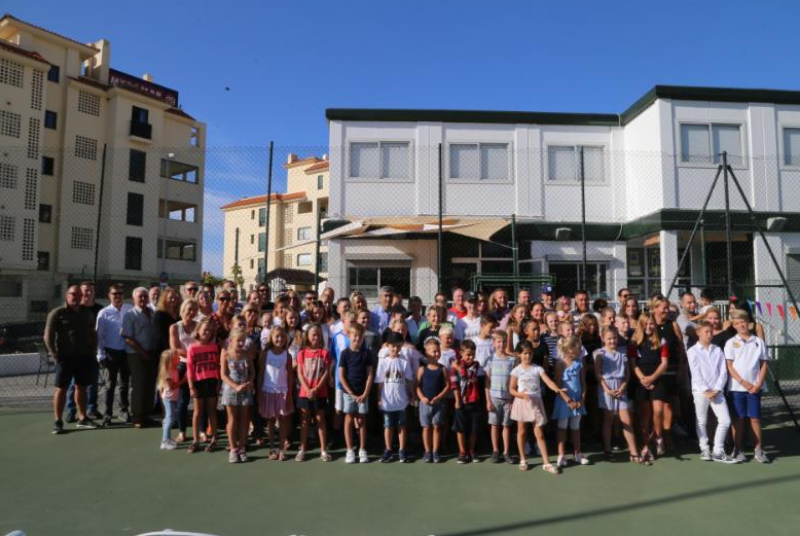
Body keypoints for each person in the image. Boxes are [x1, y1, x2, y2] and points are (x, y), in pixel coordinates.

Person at [46, 285, 98, 434]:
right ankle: (58, 421)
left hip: (84, 357)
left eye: (79, 295)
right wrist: (54, 354)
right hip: (65, 358)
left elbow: (92, 332)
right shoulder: (57, 313)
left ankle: (83, 418)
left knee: (81, 387)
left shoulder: (87, 312)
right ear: (67, 295)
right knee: (61, 389)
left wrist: (94, 349)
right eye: (73, 294)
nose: (76, 297)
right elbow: (47, 335)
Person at [595, 327, 649, 465]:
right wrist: (607, 389)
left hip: (621, 387)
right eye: (609, 338)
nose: (612, 341)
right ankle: (607, 449)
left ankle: (633, 452)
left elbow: (627, 374)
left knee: (626, 420)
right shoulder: (599, 353)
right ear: (603, 339)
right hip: (606, 387)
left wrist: (623, 387)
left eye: (614, 338)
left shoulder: (623, 352)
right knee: (608, 420)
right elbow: (598, 374)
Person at [510, 340, 565, 473]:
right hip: (522, 403)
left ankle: (546, 463)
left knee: (539, 433)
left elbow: (548, 382)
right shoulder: (516, 371)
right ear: (519, 355)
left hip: (536, 403)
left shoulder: (538, 369)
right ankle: (523, 459)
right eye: (524, 353)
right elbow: (511, 389)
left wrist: (557, 389)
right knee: (522, 431)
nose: (527, 356)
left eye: (529, 353)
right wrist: (520, 395)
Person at [725, 309, 771, 464]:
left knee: (755, 419)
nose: (741, 325)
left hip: (755, 389)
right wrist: (744, 383)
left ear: (748, 322)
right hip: (736, 389)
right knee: (738, 419)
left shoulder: (759, 342)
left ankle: (758, 450)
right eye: (737, 323)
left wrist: (757, 384)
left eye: (743, 321)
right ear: (733, 325)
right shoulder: (730, 343)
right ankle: (737, 449)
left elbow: (764, 363)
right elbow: (730, 367)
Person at [687, 321, 736, 463]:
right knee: (701, 420)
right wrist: (705, 390)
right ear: (699, 333)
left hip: (717, 391)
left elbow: (723, 371)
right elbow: (695, 373)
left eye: (711, 331)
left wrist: (717, 389)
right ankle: (704, 449)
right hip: (700, 391)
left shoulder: (718, 350)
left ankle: (718, 450)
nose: (709, 334)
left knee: (725, 420)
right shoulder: (692, 351)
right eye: (706, 332)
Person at [630, 313, 669, 461]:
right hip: (642, 382)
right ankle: (645, 447)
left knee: (658, 411)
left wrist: (652, 377)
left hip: (657, 379)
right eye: (645, 324)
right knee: (644, 417)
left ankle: (658, 438)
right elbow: (633, 364)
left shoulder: (661, 341)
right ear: (640, 325)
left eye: (651, 323)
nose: (648, 326)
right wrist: (643, 379)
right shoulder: (634, 343)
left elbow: (664, 363)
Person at [65, 281, 103, 422]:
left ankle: (92, 409)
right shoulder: (75, 309)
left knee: (93, 382)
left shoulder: (100, 309)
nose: (88, 293)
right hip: (76, 353)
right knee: (74, 384)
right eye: (85, 290)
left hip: (93, 353)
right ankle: (71, 410)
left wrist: (100, 351)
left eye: (91, 291)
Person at [95, 284, 132, 426]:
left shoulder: (130, 309)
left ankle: (124, 410)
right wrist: (100, 355)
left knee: (124, 384)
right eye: (114, 293)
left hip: (126, 352)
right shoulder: (103, 313)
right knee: (110, 385)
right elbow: (99, 336)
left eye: (120, 293)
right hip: (110, 353)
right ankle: (107, 414)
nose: (117, 296)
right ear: (109, 295)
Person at [296, 323, 333, 462]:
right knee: (304, 421)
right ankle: (303, 449)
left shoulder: (325, 353)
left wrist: (316, 389)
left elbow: (325, 373)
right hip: (305, 393)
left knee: (320, 420)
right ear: (308, 336)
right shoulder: (302, 353)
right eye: (313, 335)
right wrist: (307, 388)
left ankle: (323, 450)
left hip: (320, 393)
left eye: (318, 335)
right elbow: (299, 373)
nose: (316, 337)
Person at [375, 332, 414, 463]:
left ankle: (402, 450)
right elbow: (380, 382)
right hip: (387, 402)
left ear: (401, 346)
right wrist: (379, 398)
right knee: (388, 426)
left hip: (402, 401)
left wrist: (412, 394)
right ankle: (388, 450)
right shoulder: (383, 362)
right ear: (387, 346)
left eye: (398, 346)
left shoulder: (404, 363)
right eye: (392, 346)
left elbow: (409, 380)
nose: (395, 349)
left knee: (402, 426)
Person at [552, 336, 590, 467]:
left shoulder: (579, 364)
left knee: (575, 427)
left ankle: (577, 454)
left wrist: (582, 400)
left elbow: (584, 384)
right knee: (562, 427)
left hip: (578, 402)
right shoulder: (560, 364)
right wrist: (569, 401)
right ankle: (561, 455)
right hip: (564, 402)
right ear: (567, 349)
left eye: (578, 349)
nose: (578, 351)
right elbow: (557, 386)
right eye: (575, 348)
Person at [257, 326, 294, 461]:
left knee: (283, 421)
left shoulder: (287, 355)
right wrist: (260, 391)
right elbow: (261, 373)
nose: (280, 339)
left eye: (282, 337)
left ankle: (282, 449)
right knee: (271, 422)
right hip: (268, 391)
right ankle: (272, 448)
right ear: (271, 338)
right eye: (277, 336)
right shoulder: (265, 353)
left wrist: (289, 394)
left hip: (283, 392)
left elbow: (290, 375)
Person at [339, 323, 374, 464]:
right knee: (348, 419)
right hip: (349, 394)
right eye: (355, 336)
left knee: (361, 420)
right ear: (349, 336)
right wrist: (351, 393)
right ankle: (349, 450)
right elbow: (341, 376)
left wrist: (365, 393)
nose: (357, 338)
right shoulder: (344, 354)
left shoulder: (367, 353)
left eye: (360, 336)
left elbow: (370, 374)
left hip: (363, 393)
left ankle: (362, 449)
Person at [122, 287, 156, 429]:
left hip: (151, 354)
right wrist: (142, 352)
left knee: (150, 386)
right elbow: (127, 337)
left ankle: (146, 415)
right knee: (139, 387)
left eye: (144, 296)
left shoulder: (152, 312)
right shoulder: (130, 314)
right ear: (133, 298)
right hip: (136, 355)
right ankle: (137, 417)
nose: (142, 299)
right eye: (140, 296)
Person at [186, 319, 221, 453]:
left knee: (212, 411)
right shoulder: (192, 348)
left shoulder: (214, 346)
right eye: (204, 330)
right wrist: (191, 386)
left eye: (210, 331)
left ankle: (214, 439)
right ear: (198, 331)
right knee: (198, 412)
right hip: (198, 382)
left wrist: (218, 383)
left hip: (211, 381)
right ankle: (195, 440)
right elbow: (189, 369)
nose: (207, 332)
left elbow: (218, 365)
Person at [220, 328, 255, 463]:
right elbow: (223, 374)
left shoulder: (247, 354)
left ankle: (242, 448)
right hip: (230, 391)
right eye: (238, 340)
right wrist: (236, 386)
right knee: (232, 419)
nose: (241, 343)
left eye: (243, 340)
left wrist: (250, 382)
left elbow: (252, 372)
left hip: (246, 391)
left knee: (244, 420)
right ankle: (233, 449)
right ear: (231, 341)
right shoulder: (226, 354)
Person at [169, 299, 199, 443]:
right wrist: (193, 355)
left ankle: (202, 431)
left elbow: (204, 343)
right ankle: (182, 432)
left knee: (201, 400)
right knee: (183, 401)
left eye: (194, 309)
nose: (191, 312)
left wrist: (195, 356)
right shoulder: (175, 327)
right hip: (183, 366)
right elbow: (175, 349)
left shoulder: (199, 326)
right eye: (189, 309)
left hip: (200, 366)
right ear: (183, 310)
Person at [417, 337, 450, 463]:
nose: (436, 354)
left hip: (439, 403)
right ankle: (427, 451)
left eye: (438, 351)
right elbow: (417, 386)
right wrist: (422, 398)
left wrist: (439, 397)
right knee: (426, 427)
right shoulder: (422, 369)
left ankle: (435, 451)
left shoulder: (442, 369)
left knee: (436, 427)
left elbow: (447, 386)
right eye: (433, 351)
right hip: (425, 403)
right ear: (426, 353)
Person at [486, 330, 516, 464]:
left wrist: (513, 399)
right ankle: (496, 450)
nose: (501, 344)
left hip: (508, 398)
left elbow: (514, 381)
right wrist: (488, 400)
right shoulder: (490, 359)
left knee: (507, 426)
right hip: (494, 397)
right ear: (494, 343)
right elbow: (487, 382)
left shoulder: (512, 360)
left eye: (504, 341)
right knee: (495, 425)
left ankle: (506, 452)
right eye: (499, 341)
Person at [452, 340, 483, 464]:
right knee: (461, 429)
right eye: (468, 354)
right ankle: (462, 452)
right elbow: (454, 384)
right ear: (461, 353)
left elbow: (469, 376)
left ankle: (471, 451)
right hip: (461, 402)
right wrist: (457, 400)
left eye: (473, 354)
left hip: (474, 401)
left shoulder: (476, 365)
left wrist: (458, 366)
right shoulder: (454, 368)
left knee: (473, 428)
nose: (471, 357)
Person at [156, 349, 183, 450]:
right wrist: (184, 380)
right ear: (170, 361)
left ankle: (167, 438)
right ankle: (164, 441)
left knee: (170, 418)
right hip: (169, 398)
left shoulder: (174, 369)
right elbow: (172, 386)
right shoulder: (167, 373)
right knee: (170, 418)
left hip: (172, 398)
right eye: (175, 357)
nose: (178, 358)